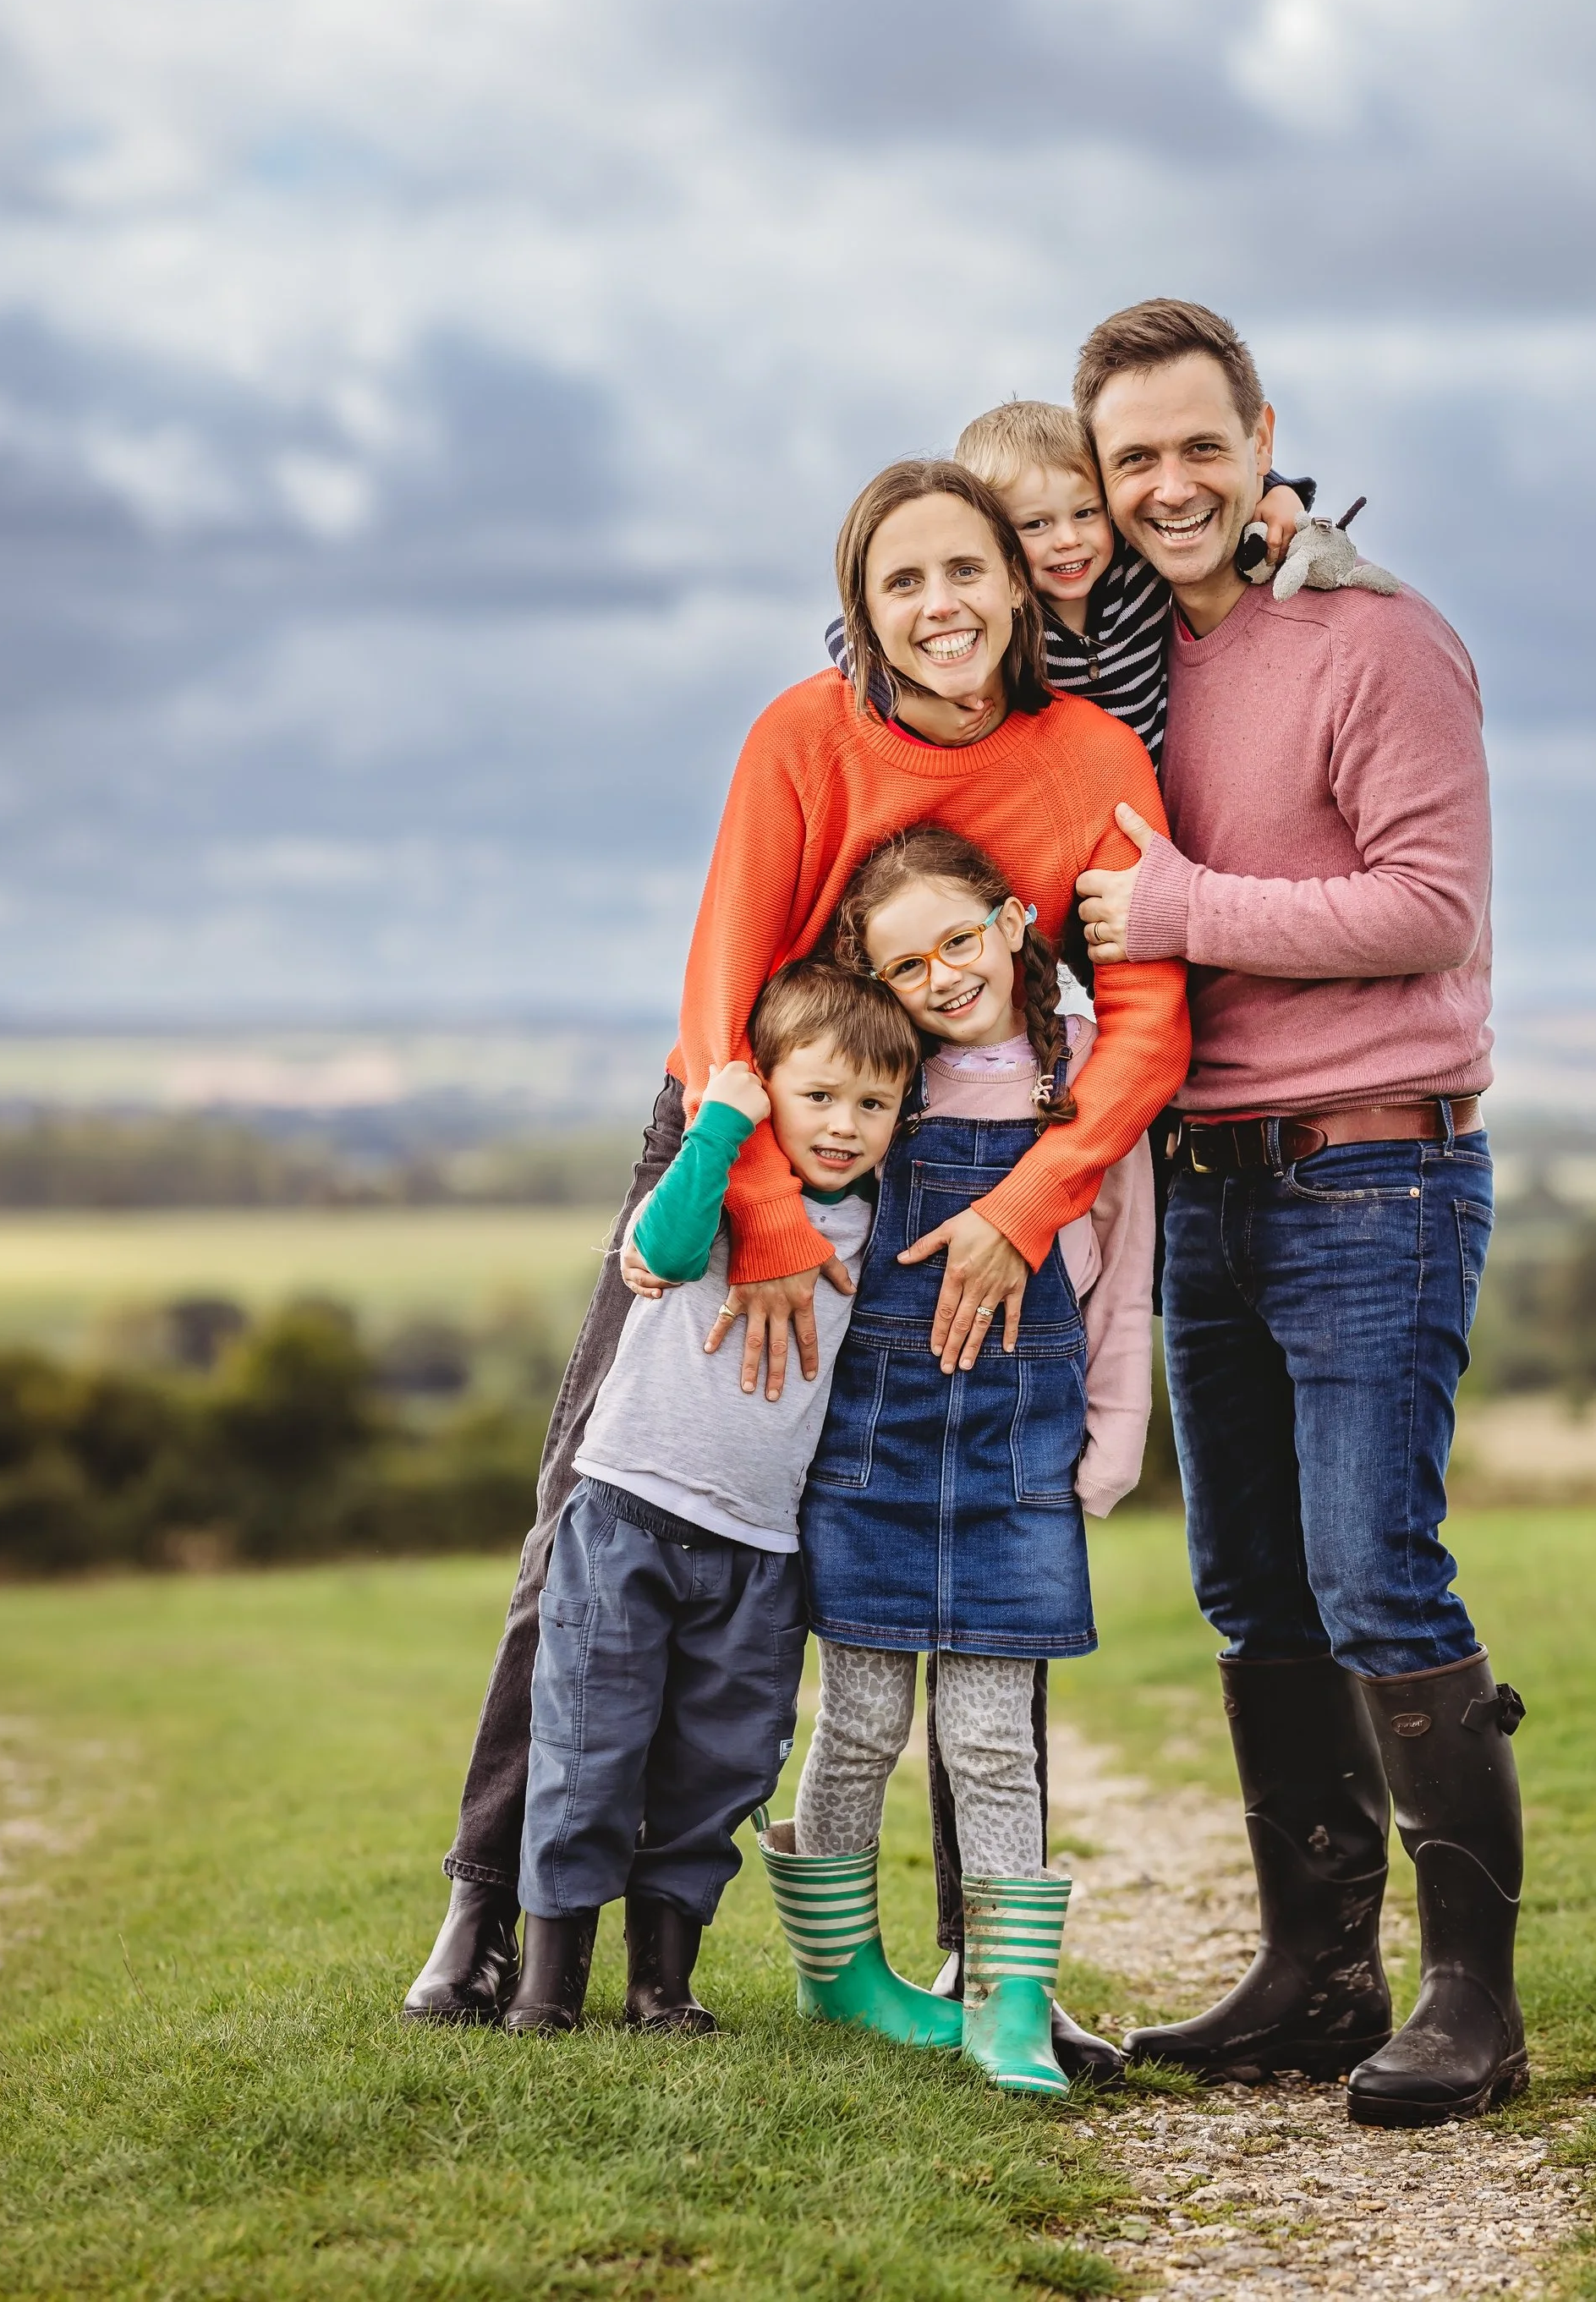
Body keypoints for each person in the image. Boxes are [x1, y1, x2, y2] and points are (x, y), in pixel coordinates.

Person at [405, 457, 1187, 2087]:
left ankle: (993, 1969)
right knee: (598, 1510)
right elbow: (722, 981)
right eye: (901, 579)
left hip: (979, 1177)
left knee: (988, 1533)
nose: (941, 605)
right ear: (862, 603)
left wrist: (1036, 1201)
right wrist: (756, 1205)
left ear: (1019, 585)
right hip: (744, 1140)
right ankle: (489, 1908)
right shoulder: (801, 735)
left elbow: (1147, 1014)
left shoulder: (1095, 757)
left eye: (966, 569)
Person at [1072, 296, 1527, 2128]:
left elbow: (1427, 905)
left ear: (1263, 431)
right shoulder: (1128, 661)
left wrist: (1187, 909)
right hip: (1205, 1185)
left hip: (1372, 1167)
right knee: (1250, 1584)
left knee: (1369, 1572)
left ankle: (1471, 2005)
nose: (1167, 483)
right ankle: (1315, 1973)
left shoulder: (1380, 638)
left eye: (1197, 443)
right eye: (1131, 459)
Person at [757, 826, 1154, 2097]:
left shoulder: (1082, 1064)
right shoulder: (881, 1081)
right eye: (907, 962)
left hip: (1019, 1452)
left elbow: (1127, 1266)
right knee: (862, 1718)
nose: (940, 976)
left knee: (991, 1738)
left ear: (1013, 921)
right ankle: (840, 1972)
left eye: (959, 940)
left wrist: (1113, 1436)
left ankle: (1009, 2001)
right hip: (872, 1449)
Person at [497, 958, 918, 2037]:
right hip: (628, 1516)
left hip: (758, 1549)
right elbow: (662, 1250)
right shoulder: (720, 1187)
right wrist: (720, 1127)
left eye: (873, 1104)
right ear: (765, 1087)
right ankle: (546, 1991)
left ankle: (661, 1988)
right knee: (590, 1747)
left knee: (721, 1765)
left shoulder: (881, 1228)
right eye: (818, 1096)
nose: (844, 1124)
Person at [825, 397, 1321, 762]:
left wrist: (1279, 496)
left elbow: (1205, 502)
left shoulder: (1136, 568)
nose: (1069, 540)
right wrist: (910, 702)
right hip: (1061, 797)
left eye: (1086, 513)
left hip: (1159, 788)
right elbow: (847, 631)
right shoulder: (1002, 615)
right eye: (1036, 525)